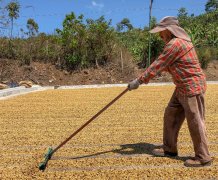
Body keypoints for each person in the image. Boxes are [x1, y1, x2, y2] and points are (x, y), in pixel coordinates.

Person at [128, 16, 212, 167]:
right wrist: (144, 78)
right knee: (171, 114)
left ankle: (203, 157)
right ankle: (169, 148)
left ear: (169, 30)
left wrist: (139, 81)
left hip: (191, 86)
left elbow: (159, 64)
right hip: (181, 86)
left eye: (161, 32)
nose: (160, 36)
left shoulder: (175, 44)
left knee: (195, 120)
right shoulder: (178, 43)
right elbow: (166, 65)